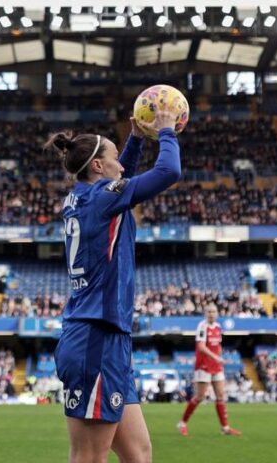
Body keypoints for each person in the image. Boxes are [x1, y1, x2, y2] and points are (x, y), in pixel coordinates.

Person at [48, 108, 181, 463]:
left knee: (138, 454)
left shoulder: (84, 197)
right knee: (89, 457)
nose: (121, 166)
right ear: (97, 168)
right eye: (114, 158)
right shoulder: (103, 197)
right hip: (95, 339)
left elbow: (120, 175)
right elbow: (169, 171)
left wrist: (136, 138)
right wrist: (166, 132)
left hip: (108, 339)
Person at [178, 303, 241, 436]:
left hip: (216, 366)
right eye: (209, 311)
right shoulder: (202, 327)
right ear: (205, 313)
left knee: (220, 395)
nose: (211, 314)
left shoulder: (218, 327)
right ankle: (182, 423)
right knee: (199, 396)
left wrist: (219, 358)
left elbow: (217, 345)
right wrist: (216, 358)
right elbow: (201, 346)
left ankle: (225, 427)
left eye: (213, 311)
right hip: (203, 366)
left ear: (217, 313)